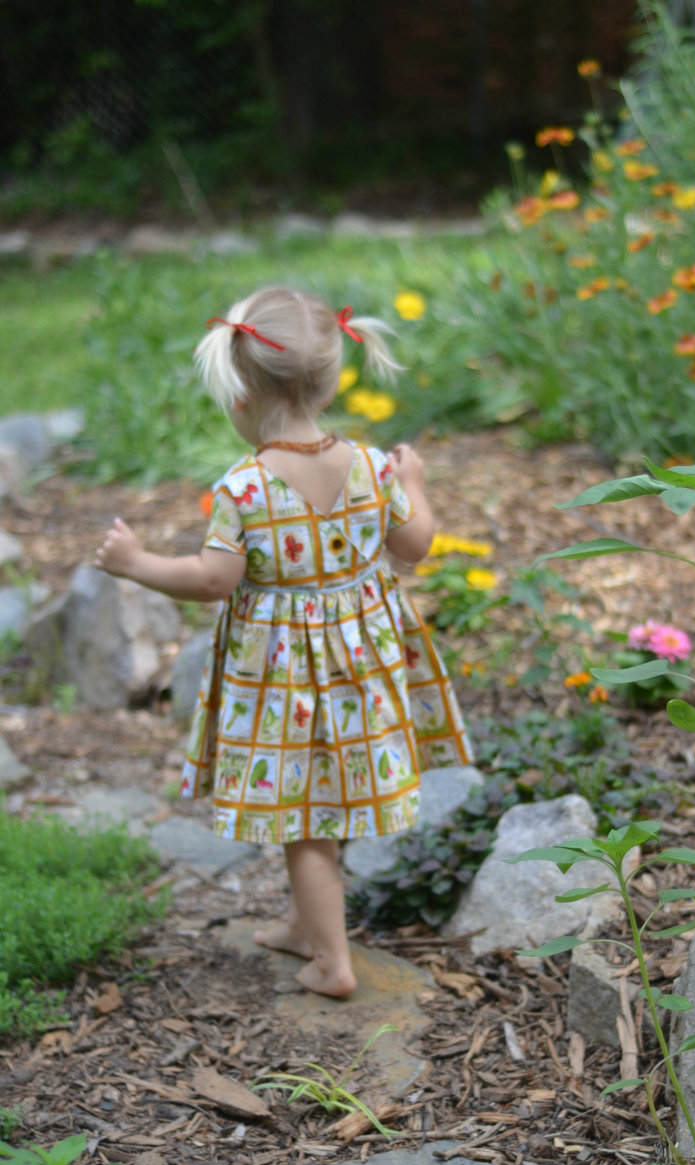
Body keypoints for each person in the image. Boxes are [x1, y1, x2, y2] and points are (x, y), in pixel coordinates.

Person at [95, 285, 473, 998]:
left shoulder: (244, 488)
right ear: (331, 382)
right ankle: (307, 927)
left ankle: (333, 962)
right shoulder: (370, 466)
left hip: (287, 683)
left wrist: (136, 564)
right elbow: (415, 544)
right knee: (334, 796)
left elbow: (213, 580)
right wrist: (415, 482)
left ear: (240, 396)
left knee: (306, 821)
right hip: (363, 671)